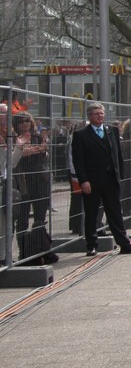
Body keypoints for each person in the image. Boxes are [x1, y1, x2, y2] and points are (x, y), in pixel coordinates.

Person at [71, 103, 131, 256]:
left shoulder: (112, 131)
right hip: (92, 181)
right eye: (96, 113)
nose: (100, 116)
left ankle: (124, 244)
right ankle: (91, 245)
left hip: (111, 179)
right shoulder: (81, 135)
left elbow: (118, 155)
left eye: (101, 113)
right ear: (90, 116)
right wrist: (83, 181)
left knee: (115, 212)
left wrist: (120, 175)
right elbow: (78, 161)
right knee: (92, 213)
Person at [12, 113, 56, 265]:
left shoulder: (37, 136)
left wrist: (41, 150)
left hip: (40, 181)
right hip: (22, 183)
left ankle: (42, 250)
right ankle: (24, 254)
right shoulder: (14, 138)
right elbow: (16, 156)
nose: (25, 124)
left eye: (27, 121)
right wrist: (35, 150)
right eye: (21, 122)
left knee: (40, 219)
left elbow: (45, 154)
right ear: (16, 124)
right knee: (22, 221)